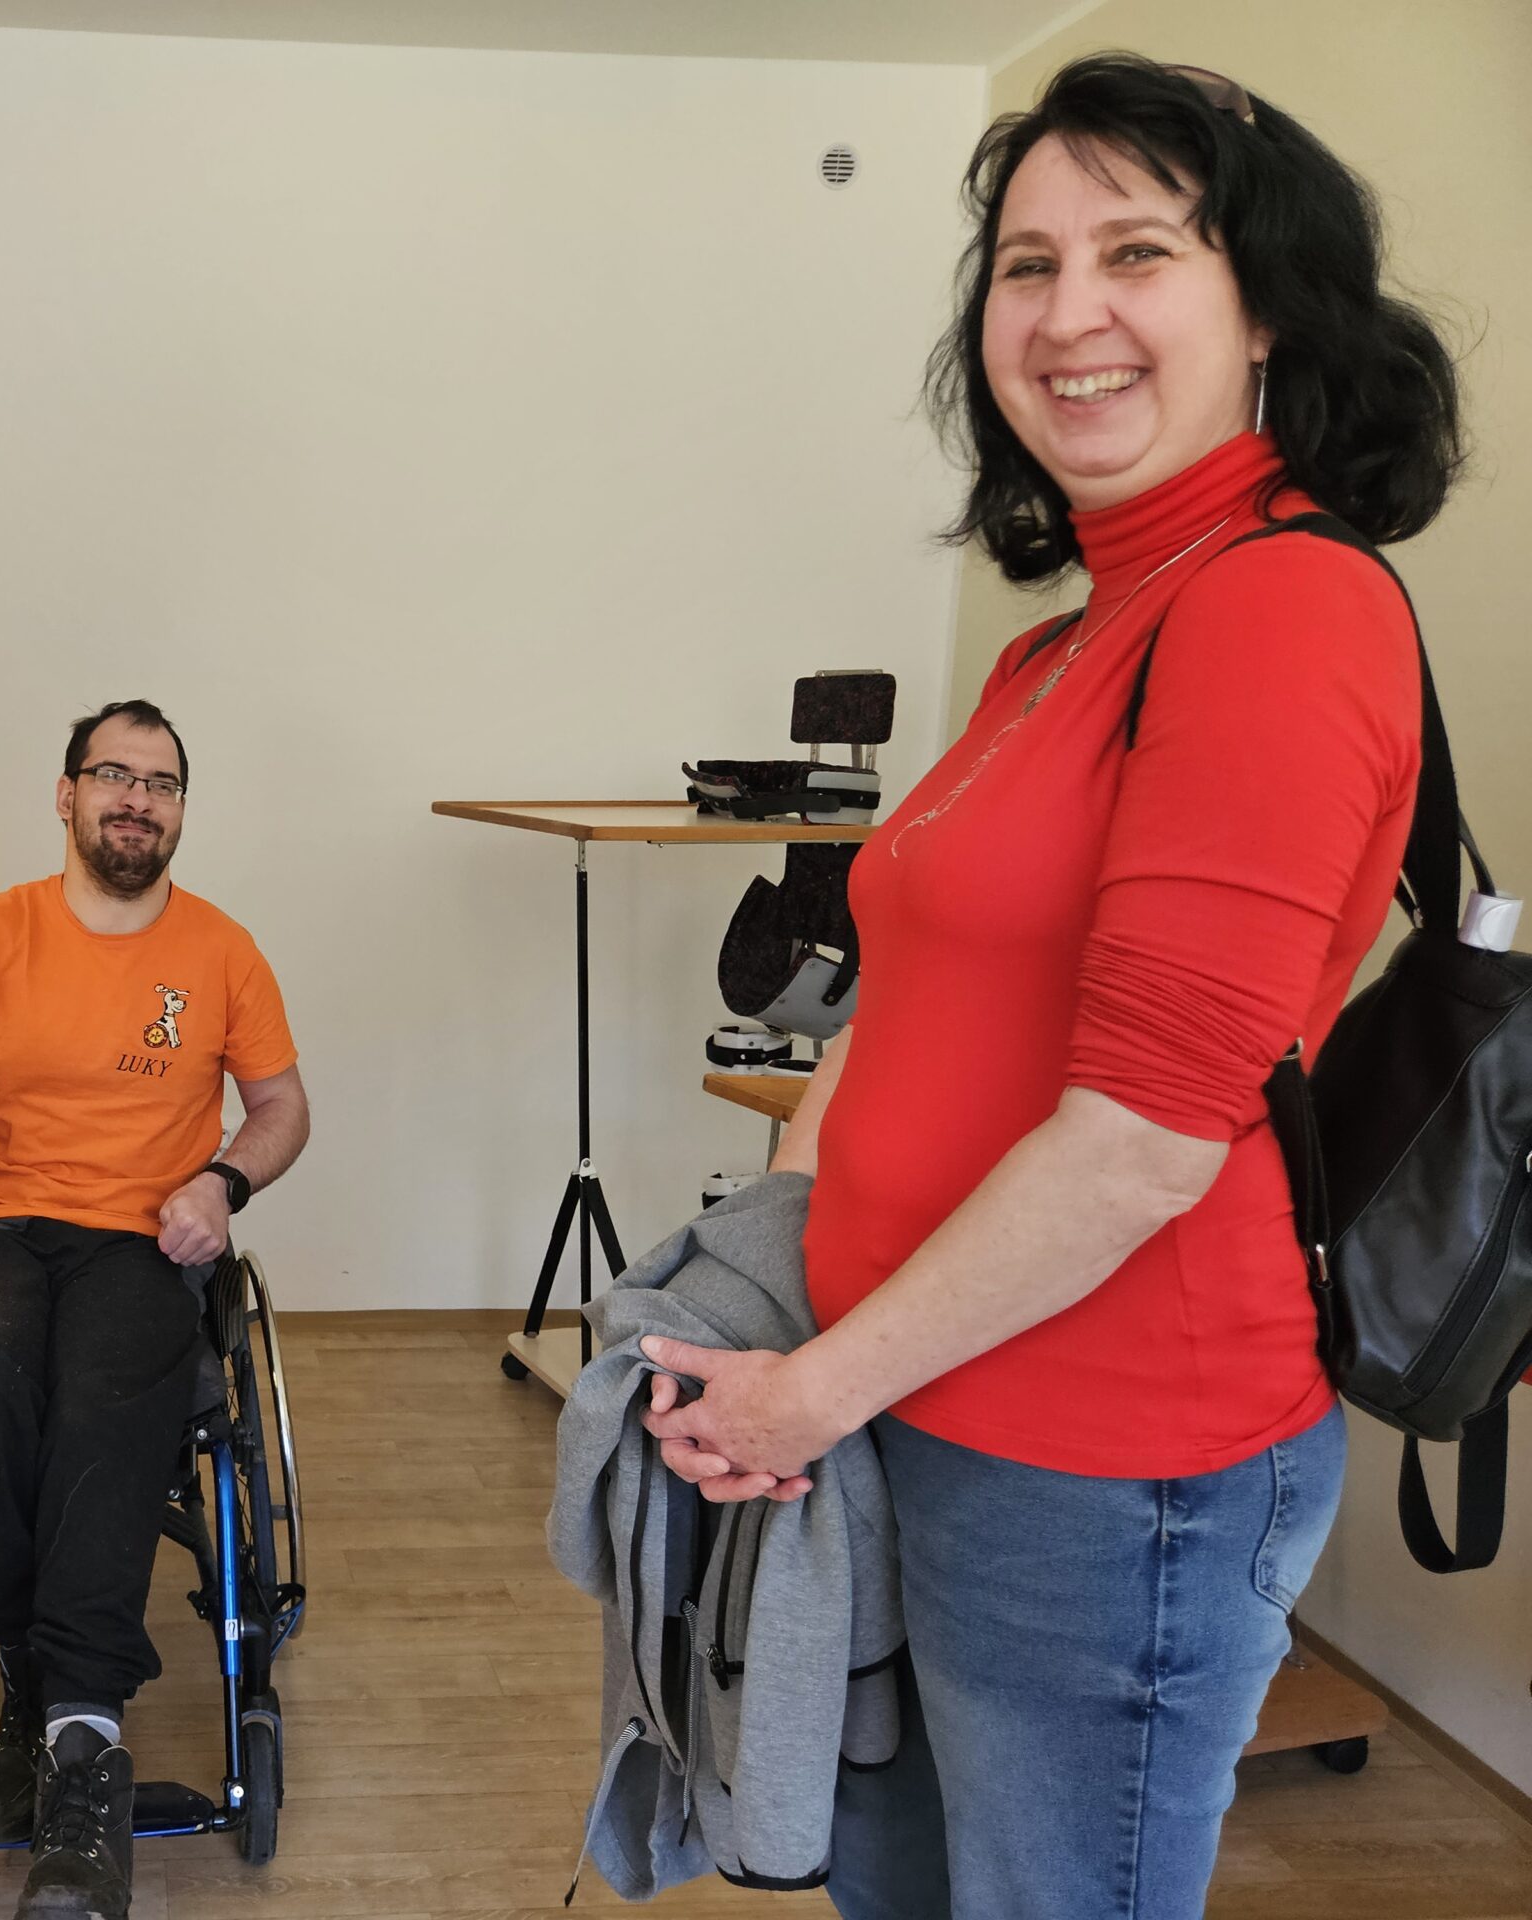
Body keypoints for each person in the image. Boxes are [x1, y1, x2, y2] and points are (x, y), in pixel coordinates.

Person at [635, 54, 1464, 1919]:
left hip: (1104, 1468)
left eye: (1139, 250)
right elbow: (902, 1008)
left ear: (1267, 310)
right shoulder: (1060, 652)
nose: (1069, 310)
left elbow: (1144, 1145)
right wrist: (782, 1258)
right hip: (914, 1405)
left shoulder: (1282, 608)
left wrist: (805, 1397)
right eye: (1028, 263)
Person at [0, 697, 310, 1920]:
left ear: (179, 810)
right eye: (113, 775)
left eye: (161, 782)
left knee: (105, 1403)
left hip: (142, 1242)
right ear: (66, 795)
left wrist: (223, 1181)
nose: (137, 799)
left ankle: (76, 1747)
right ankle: (47, 1680)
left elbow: (281, 1108)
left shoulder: (222, 950)